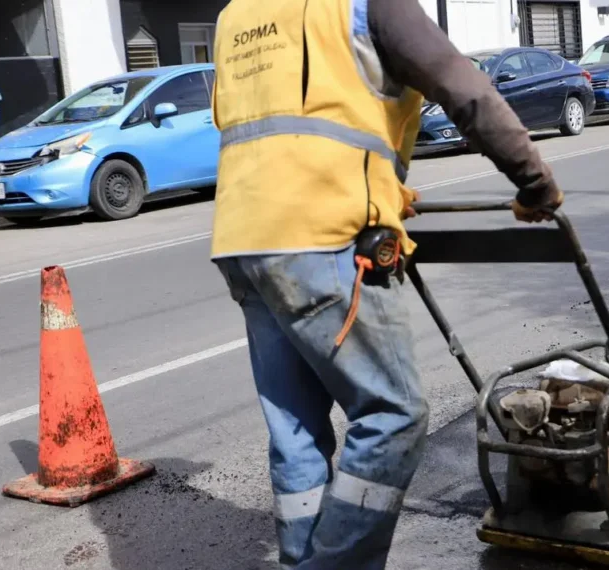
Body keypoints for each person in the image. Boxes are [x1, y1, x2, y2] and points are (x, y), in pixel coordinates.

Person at [209, 0, 563, 568]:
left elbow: (274, 127)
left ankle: (302, 557)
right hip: (325, 239)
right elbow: (462, 87)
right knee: (393, 417)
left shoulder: (236, 16)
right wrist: (534, 181)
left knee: (296, 433)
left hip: (243, 240)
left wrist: (385, 190)